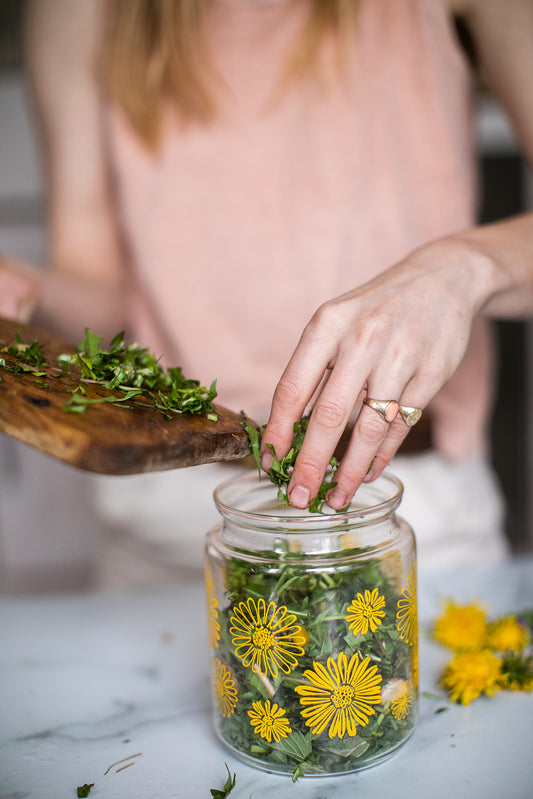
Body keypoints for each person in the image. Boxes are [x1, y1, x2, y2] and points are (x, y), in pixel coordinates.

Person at [1, 0, 532, 585]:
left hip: (406, 504)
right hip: (173, 516)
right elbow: (97, 293)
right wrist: (25, 287)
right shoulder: (79, 12)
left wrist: (462, 268)